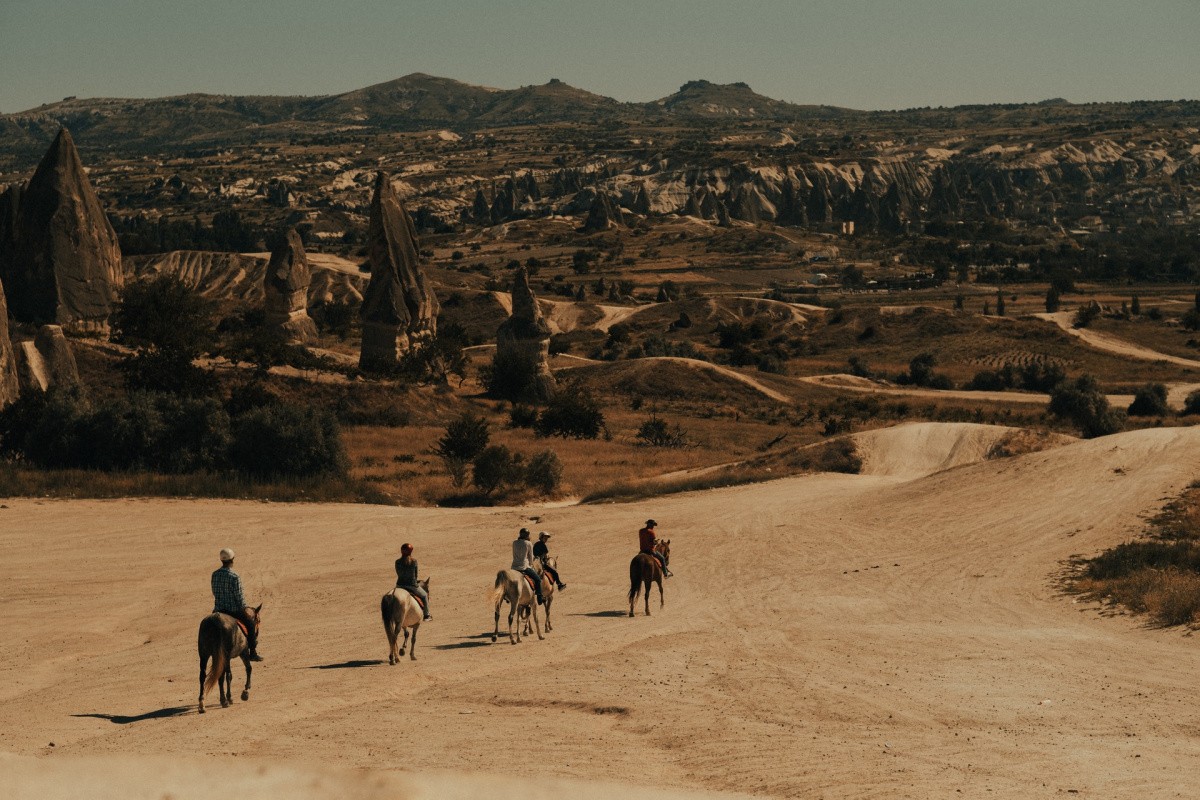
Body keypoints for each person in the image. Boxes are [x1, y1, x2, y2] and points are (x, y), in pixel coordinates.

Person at [211, 548, 263, 661]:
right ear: (232, 560)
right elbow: (239, 597)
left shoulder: (214, 574)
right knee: (250, 624)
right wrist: (245, 608)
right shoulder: (234, 576)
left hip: (218, 610)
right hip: (233, 610)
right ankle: (253, 653)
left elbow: (214, 592)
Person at [395, 543, 431, 620]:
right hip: (412, 585)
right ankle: (427, 615)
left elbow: (398, 574)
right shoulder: (414, 561)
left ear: (401, 551)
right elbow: (415, 574)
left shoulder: (397, 562)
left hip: (399, 585)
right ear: (411, 552)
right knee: (424, 595)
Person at [512, 528, 546, 605]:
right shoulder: (528, 543)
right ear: (527, 535)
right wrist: (531, 564)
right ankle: (539, 597)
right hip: (524, 567)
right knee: (537, 579)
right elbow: (530, 559)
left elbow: (514, 555)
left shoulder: (514, 543)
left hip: (514, 567)